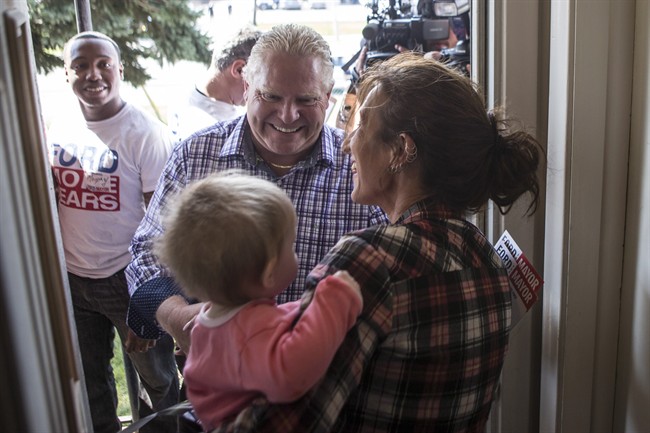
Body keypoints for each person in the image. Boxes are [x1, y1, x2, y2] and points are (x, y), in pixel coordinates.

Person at [212, 52, 544, 432]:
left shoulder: (369, 261)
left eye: (361, 126)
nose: (347, 143)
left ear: (400, 150)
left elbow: (279, 425)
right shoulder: (485, 257)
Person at [126, 22, 386, 357]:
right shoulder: (195, 155)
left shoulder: (362, 167)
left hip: (334, 385)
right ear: (246, 86)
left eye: (306, 99)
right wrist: (177, 317)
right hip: (220, 375)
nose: (288, 115)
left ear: (327, 95)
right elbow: (148, 252)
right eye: (271, 96)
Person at [153, 172, 363, 431]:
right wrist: (335, 300)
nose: (295, 252)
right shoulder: (248, 332)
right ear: (269, 273)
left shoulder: (217, 316)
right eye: (291, 246)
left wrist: (303, 307)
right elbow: (292, 373)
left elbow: (273, 320)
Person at [47, 31, 179, 433]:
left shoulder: (143, 133)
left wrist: (149, 297)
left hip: (126, 277)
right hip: (72, 276)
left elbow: (165, 221)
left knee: (156, 378)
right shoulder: (57, 124)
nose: (94, 73)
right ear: (67, 73)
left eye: (103, 63)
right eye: (81, 65)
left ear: (119, 69)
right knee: (89, 376)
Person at [168, 26, 262, 141]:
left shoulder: (181, 97)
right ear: (239, 69)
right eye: (259, 77)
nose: (260, 88)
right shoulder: (208, 130)